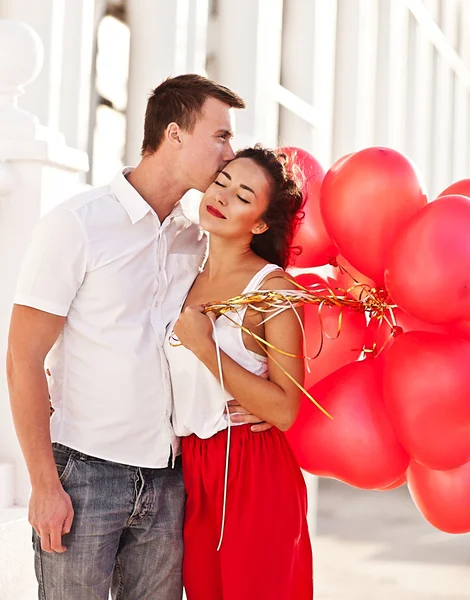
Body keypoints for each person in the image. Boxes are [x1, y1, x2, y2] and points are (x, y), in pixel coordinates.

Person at [7, 74, 270, 600]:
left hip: (171, 479)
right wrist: (43, 483)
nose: (229, 151)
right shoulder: (77, 225)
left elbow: (257, 298)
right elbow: (22, 357)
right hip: (83, 476)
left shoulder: (200, 238)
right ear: (174, 134)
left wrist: (264, 391)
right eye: (220, 135)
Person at [164, 145, 314, 600]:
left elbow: (286, 409)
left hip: (251, 468)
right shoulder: (181, 268)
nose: (223, 197)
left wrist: (207, 348)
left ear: (261, 223)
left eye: (243, 196)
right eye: (223, 182)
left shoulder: (272, 290)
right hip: (189, 470)